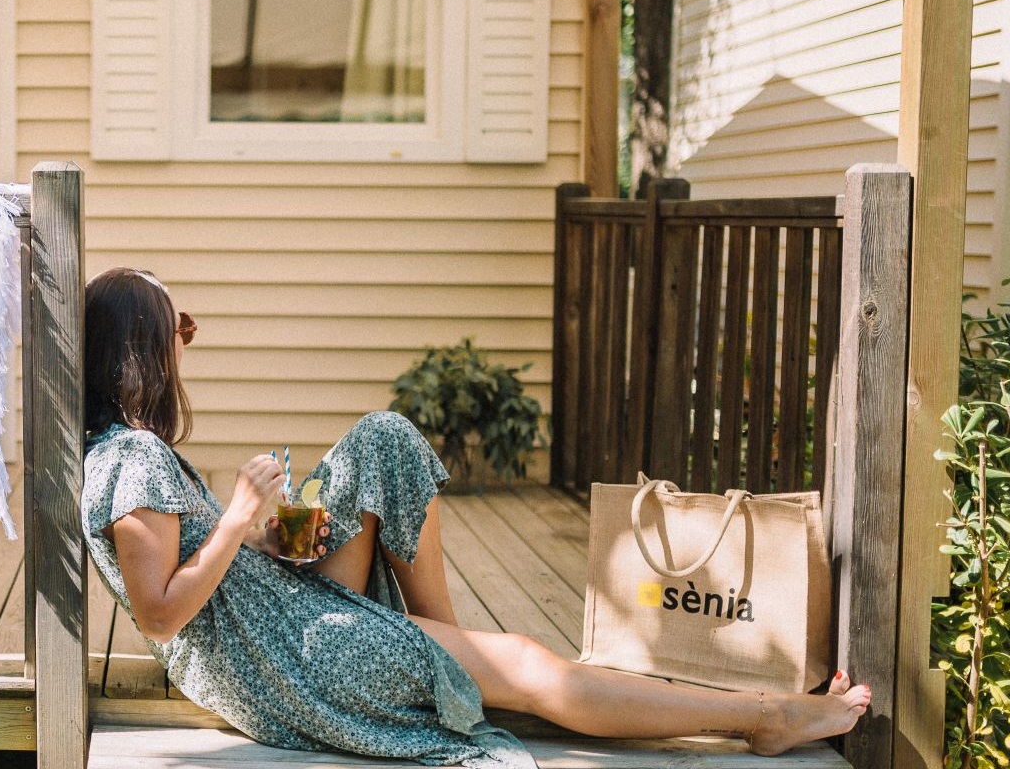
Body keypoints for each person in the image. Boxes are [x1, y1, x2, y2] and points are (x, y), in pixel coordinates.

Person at [80, 267, 870, 769]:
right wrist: (237, 519)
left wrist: (263, 531)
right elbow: (159, 614)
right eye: (179, 332)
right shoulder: (134, 460)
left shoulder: (129, 455)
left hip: (279, 621)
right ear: (146, 349)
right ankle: (761, 718)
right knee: (528, 662)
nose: (187, 348)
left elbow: (195, 581)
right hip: (288, 656)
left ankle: (453, 662)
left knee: (382, 437)